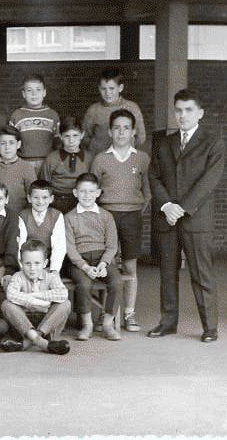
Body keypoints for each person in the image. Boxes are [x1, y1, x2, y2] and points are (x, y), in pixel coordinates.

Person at [147, 89, 224, 343]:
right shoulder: (163, 143)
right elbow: (153, 176)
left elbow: (209, 180)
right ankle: (168, 323)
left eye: (188, 110)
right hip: (167, 217)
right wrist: (167, 205)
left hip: (196, 219)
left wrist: (182, 208)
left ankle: (210, 327)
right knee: (167, 274)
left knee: (201, 274)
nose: (183, 115)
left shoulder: (212, 142)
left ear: (200, 113)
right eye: (178, 110)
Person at [91, 109, 150, 332]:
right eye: (116, 128)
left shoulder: (142, 159)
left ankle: (129, 314)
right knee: (106, 265)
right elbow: (92, 191)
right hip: (107, 216)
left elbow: (148, 192)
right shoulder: (100, 159)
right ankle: (106, 313)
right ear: (109, 131)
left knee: (129, 265)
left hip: (132, 216)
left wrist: (136, 210)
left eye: (126, 128)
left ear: (134, 131)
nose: (121, 132)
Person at [65, 173, 121, 341]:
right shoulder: (69, 217)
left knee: (117, 282)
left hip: (102, 258)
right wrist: (84, 267)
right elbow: (69, 247)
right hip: (78, 261)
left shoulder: (106, 216)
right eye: (83, 191)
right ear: (75, 193)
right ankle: (87, 324)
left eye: (91, 191)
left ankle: (108, 324)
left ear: (98, 193)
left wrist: (104, 264)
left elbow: (112, 245)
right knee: (84, 283)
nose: (87, 195)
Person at [1, 239, 71, 355]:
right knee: (6, 304)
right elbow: (11, 294)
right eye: (28, 263)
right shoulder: (18, 276)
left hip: (48, 324)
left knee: (66, 304)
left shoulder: (51, 276)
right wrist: (37, 302)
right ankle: (42, 343)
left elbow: (63, 294)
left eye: (37, 263)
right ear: (21, 263)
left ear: (45, 263)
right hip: (23, 324)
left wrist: (35, 295)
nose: (32, 268)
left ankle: (29, 342)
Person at [82, 67, 146, 156]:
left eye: (111, 88)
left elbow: (140, 137)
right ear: (99, 88)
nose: (107, 93)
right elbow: (85, 137)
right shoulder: (93, 110)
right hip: (99, 157)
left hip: (125, 157)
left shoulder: (132, 108)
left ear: (120, 88)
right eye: (103, 89)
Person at [39, 116, 93, 214]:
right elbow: (44, 185)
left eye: (75, 135)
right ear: (60, 136)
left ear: (82, 135)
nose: (71, 140)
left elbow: (94, 184)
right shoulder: (52, 158)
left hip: (81, 201)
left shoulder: (89, 158)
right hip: (56, 202)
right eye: (67, 136)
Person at [9, 74, 60, 175]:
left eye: (38, 90)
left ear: (44, 92)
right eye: (29, 90)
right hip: (24, 162)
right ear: (23, 94)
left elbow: (58, 143)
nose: (34, 94)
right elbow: (11, 141)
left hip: (47, 162)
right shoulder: (17, 115)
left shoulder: (52, 115)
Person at [17, 180, 66, 275]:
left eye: (45, 197)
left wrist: (54, 270)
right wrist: (23, 269)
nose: (40, 201)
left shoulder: (56, 215)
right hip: (28, 263)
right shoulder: (23, 216)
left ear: (51, 199)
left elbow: (59, 246)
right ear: (29, 198)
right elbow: (19, 245)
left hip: (49, 263)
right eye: (36, 197)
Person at [0, 126, 37, 213]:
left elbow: (33, 197)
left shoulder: (27, 168)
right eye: (3, 143)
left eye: (11, 143)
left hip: (20, 215)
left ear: (18, 144)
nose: (7, 147)